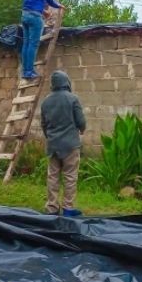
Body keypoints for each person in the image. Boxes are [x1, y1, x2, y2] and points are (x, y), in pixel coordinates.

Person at [40, 70, 86, 217]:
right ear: (66, 82)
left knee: (52, 176)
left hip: (53, 145)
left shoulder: (46, 101)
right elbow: (81, 122)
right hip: (70, 145)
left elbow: (44, 124)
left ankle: (52, 207)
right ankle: (68, 208)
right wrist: (82, 130)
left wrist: (50, 137)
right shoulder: (73, 99)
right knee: (70, 176)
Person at [21, 0, 63, 79]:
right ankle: (29, 72)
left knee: (26, 44)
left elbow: (31, 1)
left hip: (25, 16)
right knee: (33, 44)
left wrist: (44, 12)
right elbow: (50, 0)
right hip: (35, 18)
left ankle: (24, 71)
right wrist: (59, 6)